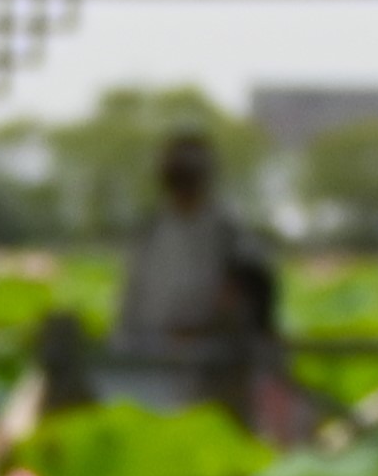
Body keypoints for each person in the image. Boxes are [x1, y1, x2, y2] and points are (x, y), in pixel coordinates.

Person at [105, 129, 262, 417]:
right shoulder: (149, 232)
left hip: (214, 369)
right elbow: (129, 305)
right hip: (152, 363)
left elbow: (250, 306)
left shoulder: (230, 234)